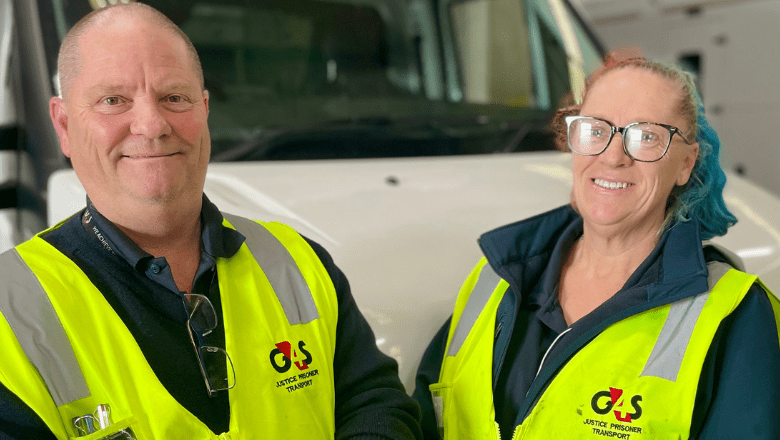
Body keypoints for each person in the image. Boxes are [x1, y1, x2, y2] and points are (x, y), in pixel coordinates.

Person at [0, 3, 421, 439]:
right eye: (113, 101)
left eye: (173, 98)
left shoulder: (299, 264)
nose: (152, 124)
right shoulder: (9, 314)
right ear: (64, 125)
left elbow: (376, 402)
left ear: (204, 111)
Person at [413, 56, 780, 439]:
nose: (612, 156)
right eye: (595, 130)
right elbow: (422, 415)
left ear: (686, 164)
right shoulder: (495, 278)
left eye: (646, 136)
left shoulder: (736, 317)